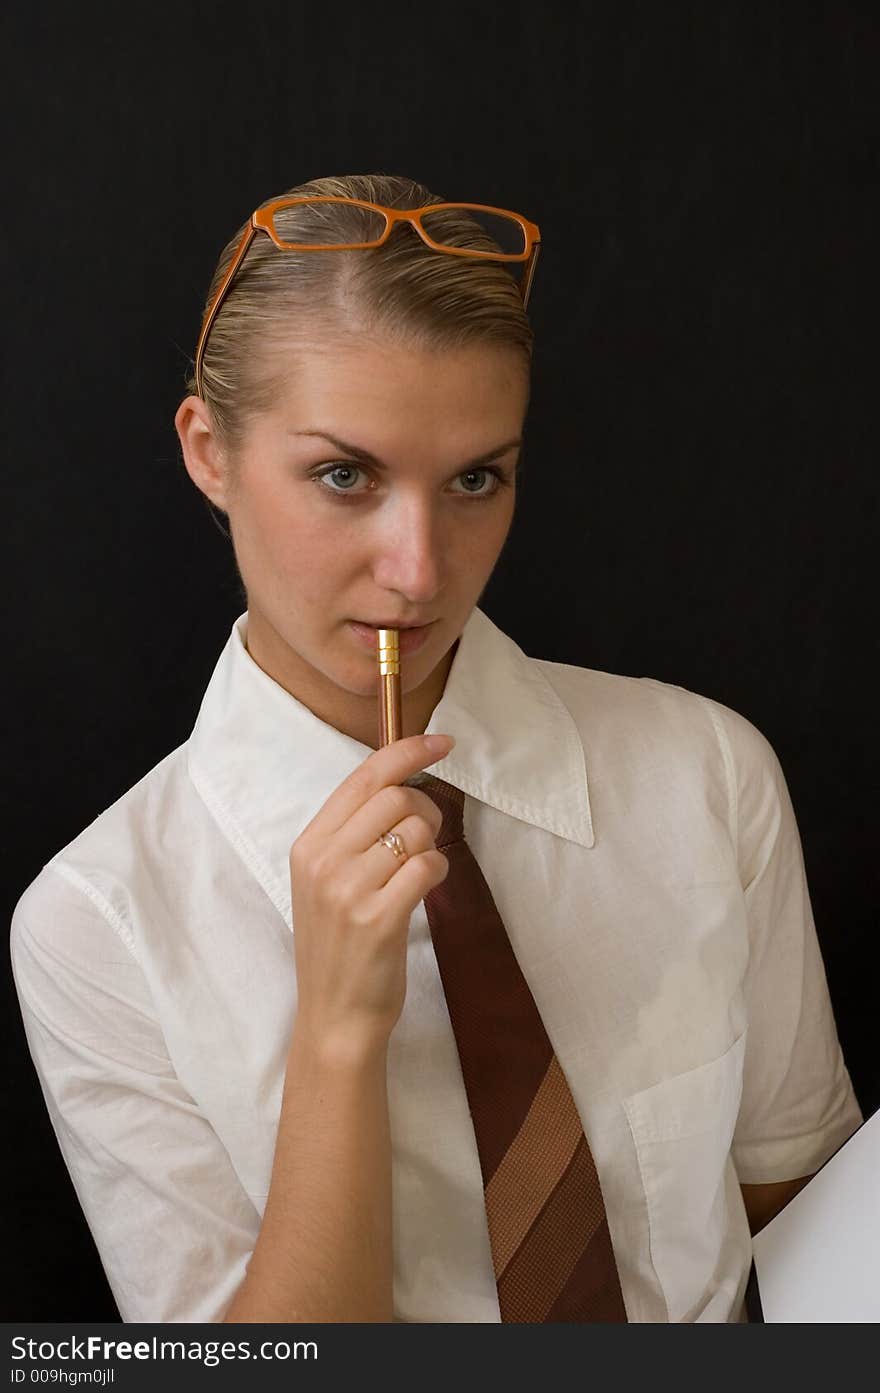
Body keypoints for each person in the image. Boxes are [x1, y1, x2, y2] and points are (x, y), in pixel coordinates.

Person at [10, 171, 862, 1324]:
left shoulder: (703, 774)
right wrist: (338, 1033)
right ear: (209, 452)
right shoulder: (99, 924)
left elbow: (810, 1231)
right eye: (343, 475)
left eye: (475, 478)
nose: (419, 571)